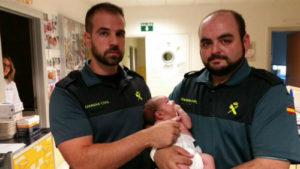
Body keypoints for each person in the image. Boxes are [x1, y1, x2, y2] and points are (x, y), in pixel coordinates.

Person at [154, 9, 300, 169]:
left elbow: (273, 164)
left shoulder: (269, 92)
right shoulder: (187, 87)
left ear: (245, 42)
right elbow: (157, 123)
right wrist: (159, 152)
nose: (215, 50)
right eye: (206, 43)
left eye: (225, 41)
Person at [49, 3, 181, 169]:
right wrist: (147, 137)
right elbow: (82, 161)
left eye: (120, 34)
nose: (114, 41)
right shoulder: (68, 94)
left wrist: (160, 152)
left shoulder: (137, 83)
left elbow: (150, 127)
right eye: (104, 33)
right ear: (88, 39)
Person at [144, 96, 215, 169]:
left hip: (191, 152)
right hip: (176, 153)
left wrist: (180, 110)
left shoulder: (180, 118)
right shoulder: (159, 123)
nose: (173, 101)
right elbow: (155, 135)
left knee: (209, 159)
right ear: (159, 114)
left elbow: (189, 125)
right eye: (168, 102)